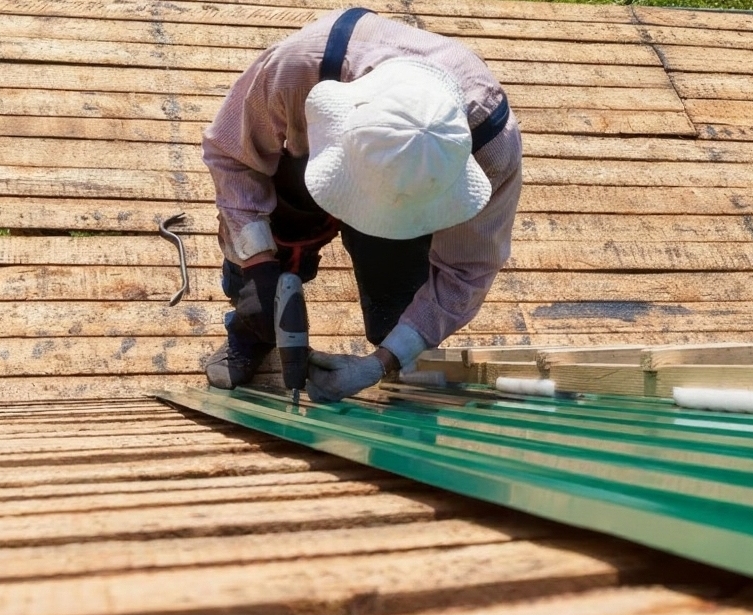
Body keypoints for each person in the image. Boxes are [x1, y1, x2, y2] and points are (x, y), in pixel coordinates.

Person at [201, 7, 523, 402]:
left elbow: (465, 273)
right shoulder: (299, 67)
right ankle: (252, 331)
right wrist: (257, 268)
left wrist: (382, 361)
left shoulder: (493, 147)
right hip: (300, 169)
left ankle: (395, 345)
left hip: (418, 196)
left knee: (399, 297)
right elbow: (233, 157)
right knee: (268, 239)